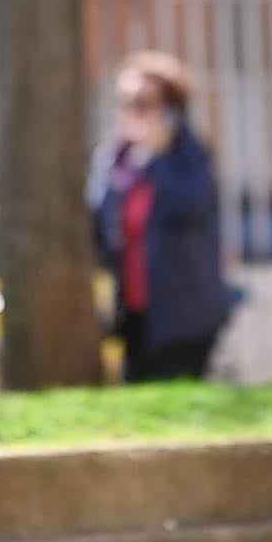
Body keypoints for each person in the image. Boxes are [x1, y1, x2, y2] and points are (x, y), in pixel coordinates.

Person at [89, 51, 229, 382]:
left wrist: (155, 159)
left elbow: (191, 206)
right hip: (134, 313)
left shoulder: (188, 156)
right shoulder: (115, 157)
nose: (130, 112)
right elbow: (98, 219)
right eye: (124, 102)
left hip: (185, 315)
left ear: (169, 110)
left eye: (142, 103)